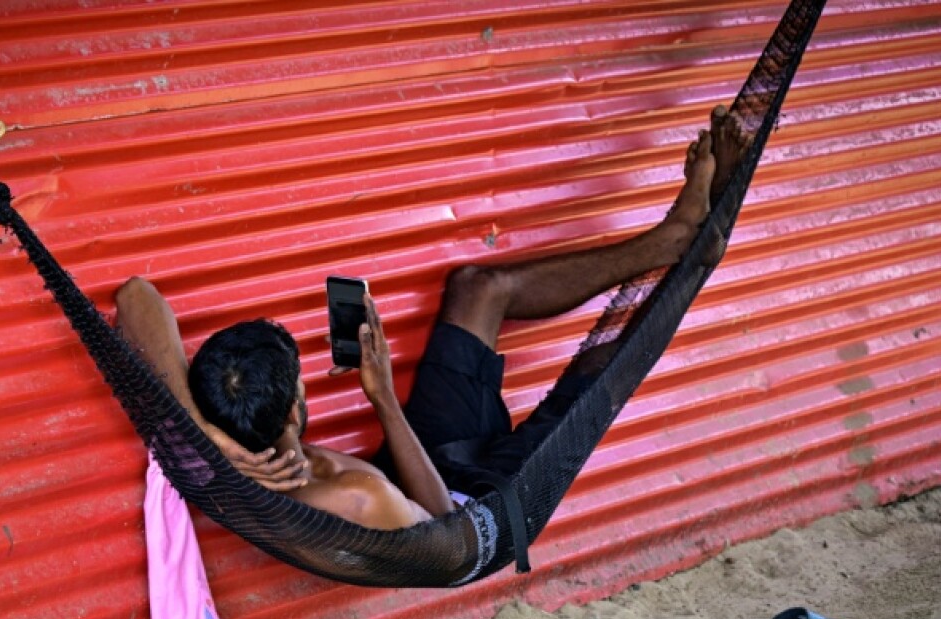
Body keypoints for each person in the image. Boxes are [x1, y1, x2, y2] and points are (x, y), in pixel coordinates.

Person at [115, 106, 751, 531]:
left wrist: (206, 431)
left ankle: (668, 242)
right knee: (592, 379)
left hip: (429, 454)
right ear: (293, 410)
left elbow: (137, 296)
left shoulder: (210, 452)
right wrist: (384, 398)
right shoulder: (352, 497)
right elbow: (447, 529)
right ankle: (692, 261)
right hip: (483, 505)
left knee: (476, 287)